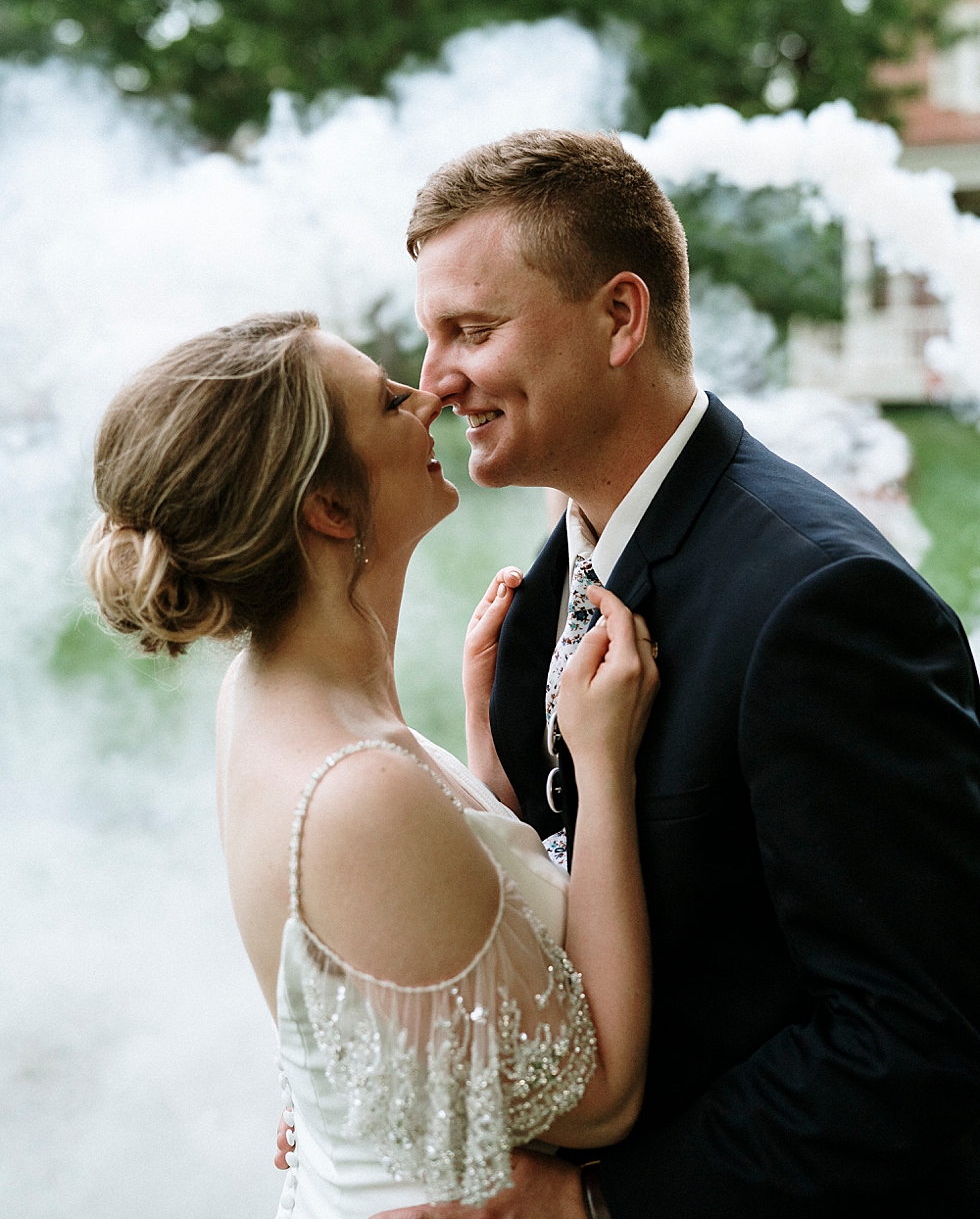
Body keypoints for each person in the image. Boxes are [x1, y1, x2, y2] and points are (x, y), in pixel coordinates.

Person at [369, 129, 980, 1219]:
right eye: (429, 339)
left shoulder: (821, 606)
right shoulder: (549, 584)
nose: (434, 383)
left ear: (618, 317)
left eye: (471, 330)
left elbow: (916, 1036)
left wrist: (593, 1204)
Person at [82, 311, 659, 1219]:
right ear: (330, 508)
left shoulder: (267, 688)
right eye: (390, 400)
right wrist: (602, 767)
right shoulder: (356, 786)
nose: (430, 397)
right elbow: (601, 1099)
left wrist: (487, 764)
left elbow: (409, 965)